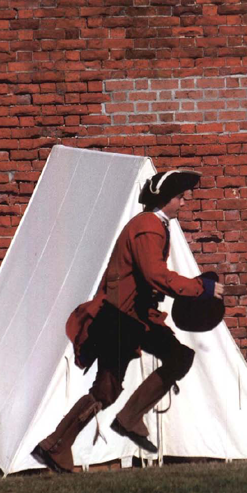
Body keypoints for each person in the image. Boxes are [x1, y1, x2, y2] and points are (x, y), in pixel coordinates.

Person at [31, 169, 224, 474]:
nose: (183, 203)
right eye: (179, 198)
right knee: (107, 389)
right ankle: (57, 444)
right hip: (120, 319)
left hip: (135, 317)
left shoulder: (153, 225)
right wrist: (202, 289)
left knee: (177, 357)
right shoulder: (149, 226)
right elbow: (155, 275)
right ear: (164, 199)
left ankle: (116, 422)